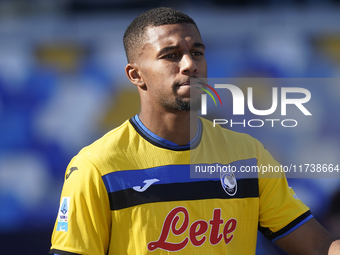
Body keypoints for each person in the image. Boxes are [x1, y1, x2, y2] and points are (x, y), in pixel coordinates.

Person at [49, 7, 340, 255]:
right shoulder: (96, 167)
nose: (190, 65)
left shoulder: (247, 154)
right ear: (135, 75)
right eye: (171, 55)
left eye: (197, 52)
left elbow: (318, 245)